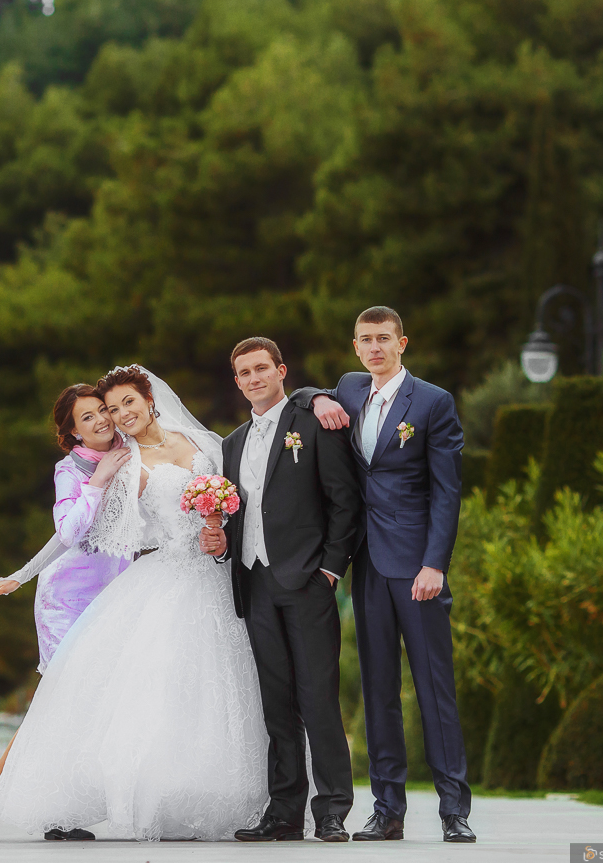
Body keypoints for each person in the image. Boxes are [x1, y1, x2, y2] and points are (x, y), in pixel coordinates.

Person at [0, 365, 269, 841]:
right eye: (111, 410)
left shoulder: (203, 442)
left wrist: (222, 535)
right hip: (164, 578)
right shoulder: (122, 464)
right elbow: (70, 535)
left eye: (126, 404)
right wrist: (20, 575)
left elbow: (249, 494)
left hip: (216, 580)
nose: (120, 415)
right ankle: (158, 801)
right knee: (159, 691)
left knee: (219, 688)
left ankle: (215, 797)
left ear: (150, 399)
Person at [289, 306, 477, 844]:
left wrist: (435, 563)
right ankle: (387, 810)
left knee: (433, 686)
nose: (375, 348)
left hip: (417, 564)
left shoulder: (434, 402)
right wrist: (319, 398)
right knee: (378, 690)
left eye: (384, 339)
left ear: (402, 343)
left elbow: (447, 490)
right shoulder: (349, 388)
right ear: (355, 347)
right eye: (366, 340)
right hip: (365, 562)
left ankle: (453, 810)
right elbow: (303, 395)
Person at [0, 384, 133, 841]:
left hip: (116, 596)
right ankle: (23, 802)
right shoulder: (71, 470)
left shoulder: (132, 449)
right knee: (62, 703)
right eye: (87, 418)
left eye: (102, 411)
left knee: (93, 706)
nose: (100, 420)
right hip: (67, 599)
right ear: (73, 432)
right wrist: (19, 576)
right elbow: (68, 533)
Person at [212, 337, 362, 843]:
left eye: (262, 369)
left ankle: (333, 810)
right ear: (237, 382)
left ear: (281, 371)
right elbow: (238, 516)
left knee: (318, 698)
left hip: (307, 582)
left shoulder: (313, 421)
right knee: (275, 703)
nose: (254, 378)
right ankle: (284, 813)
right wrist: (219, 544)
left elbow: (344, 501)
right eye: (245, 373)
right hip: (254, 583)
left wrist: (331, 570)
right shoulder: (230, 445)